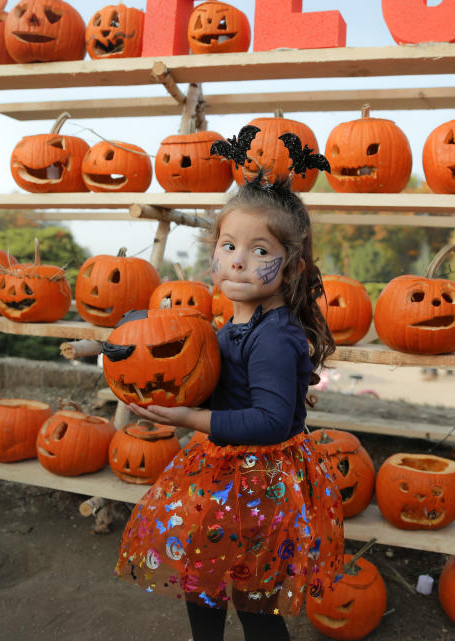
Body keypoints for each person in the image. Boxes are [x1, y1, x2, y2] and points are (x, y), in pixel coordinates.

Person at [114, 175, 345, 641]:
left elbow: (270, 421)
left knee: (255, 603)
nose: (238, 260)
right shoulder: (234, 323)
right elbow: (217, 384)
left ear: (293, 267)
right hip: (223, 479)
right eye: (228, 245)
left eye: (260, 251)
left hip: (261, 487)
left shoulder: (274, 337)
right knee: (203, 587)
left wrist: (189, 419)